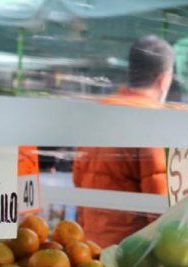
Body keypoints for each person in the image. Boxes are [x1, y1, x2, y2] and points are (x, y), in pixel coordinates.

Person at [72, 35, 173, 247]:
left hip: (89, 249)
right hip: (128, 253)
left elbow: (78, 179)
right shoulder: (151, 120)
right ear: (163, 78)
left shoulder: (101, 112)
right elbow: (158, 203)